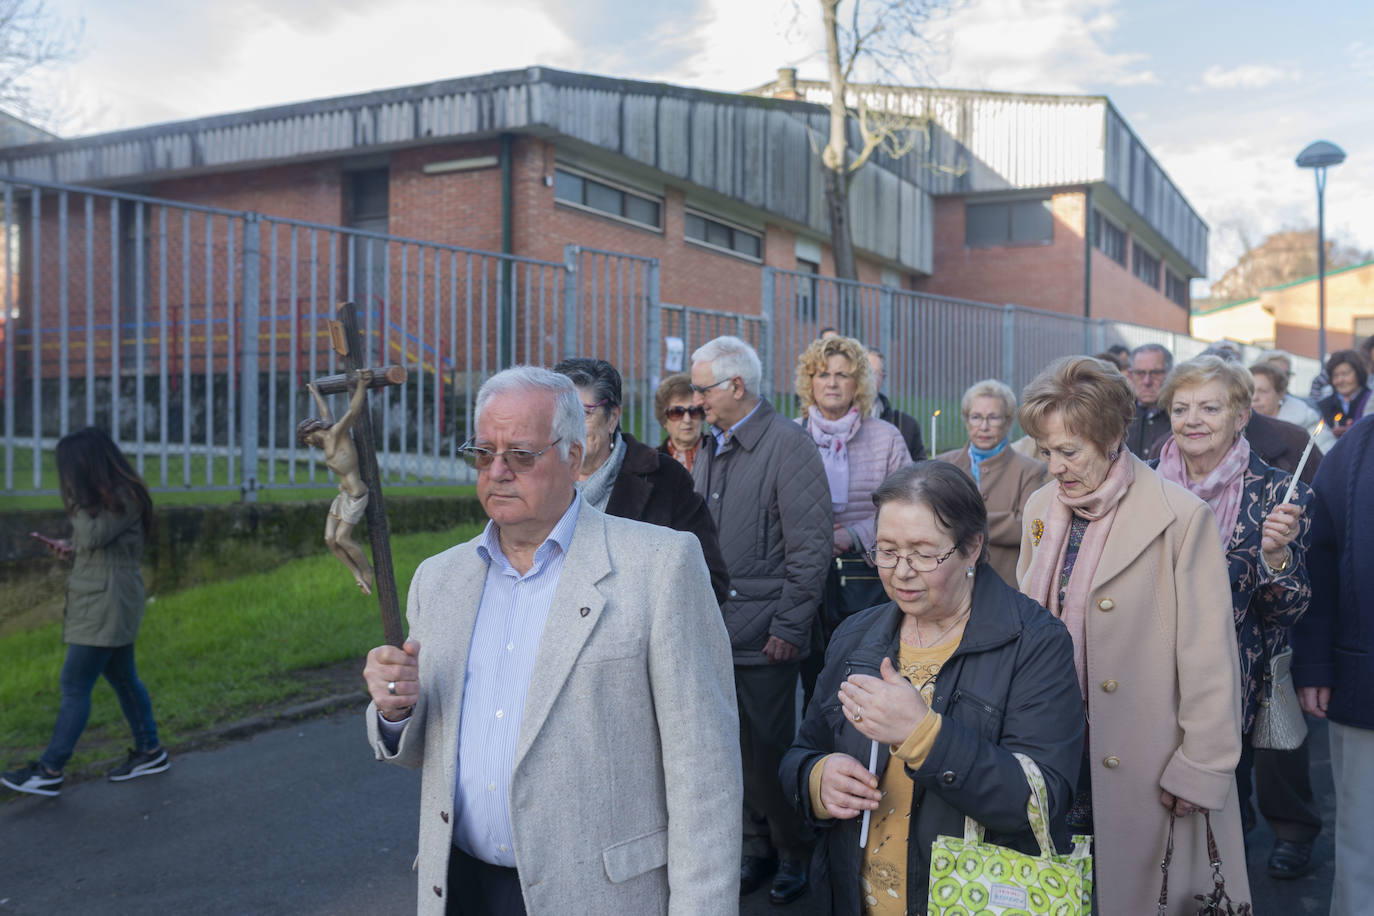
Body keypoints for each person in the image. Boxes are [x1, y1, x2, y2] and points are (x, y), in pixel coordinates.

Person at [363, 367, 741, 915]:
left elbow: (706, 779)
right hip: (461, 888)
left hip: (598, 896)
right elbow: (428, 752)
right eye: (484, 452)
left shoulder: (660, 567)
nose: (498, 471)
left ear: (570, 455)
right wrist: (397, 710)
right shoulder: (439, 580)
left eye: (520, 453)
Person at [781, 462, 1083, 915]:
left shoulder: (1034, 642)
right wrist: (816, 781)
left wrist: (923, 737)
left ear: (972, 548)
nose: (900, 572)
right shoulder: (855, 636)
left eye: (923, 553)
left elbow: (1041, 801)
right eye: (886, 551)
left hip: (969, 899)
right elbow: (802, 752)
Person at [1016, 356, 1250, 914]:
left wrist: (1202, 766)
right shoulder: (1040, 508)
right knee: (1058, 892)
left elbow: (1209, 656)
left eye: (1069, 451)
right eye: (1045, 451)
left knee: (1139, 895)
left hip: (1146, 757)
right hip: (1053, 750)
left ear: (1114, 435)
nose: (1054, 467)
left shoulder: (1180, 516)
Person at [1153, 355, 1317, 879]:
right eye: (1181, 408)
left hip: (1235, 682)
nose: (1192, 419)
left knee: (1226, 802)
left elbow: (1289, 607)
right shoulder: (1143, 485)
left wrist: (1276, 560)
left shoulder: (1278, 493)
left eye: (1209, 407)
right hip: (1150, 675)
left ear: (1241, 414)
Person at [690, 335, 833, 905]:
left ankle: (795, 850)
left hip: (766, 636)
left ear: (735, 386)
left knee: (771, 752)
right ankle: (756, 847)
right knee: (730, 751)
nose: (696, 399)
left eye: (703, 388)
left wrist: (790, 629)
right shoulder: (711, 444)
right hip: (716, 629)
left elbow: (811, 549)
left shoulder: (788, 445)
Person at [2, 428, 169, 798]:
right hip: (103, 599)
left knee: (74, 684)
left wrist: (76, 503)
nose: (65, 480)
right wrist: (69, 547)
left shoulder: (123, 496)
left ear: (85, 467)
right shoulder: (112, 499)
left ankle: (49, 769)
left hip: (106, 603)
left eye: (69, 471)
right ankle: (150, 751)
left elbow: (94, 537)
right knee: (124, 679)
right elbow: (96, 543)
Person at [554, 357, 729, 605]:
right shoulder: (539, 481)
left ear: (613, 417)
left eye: (583, 413)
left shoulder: (665, 479)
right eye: (561, 414)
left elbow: (711, 581)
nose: (570, 427)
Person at [1293, 413, 1374, 915]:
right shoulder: (1353, 452)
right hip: (1365, 683)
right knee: (1364, 841)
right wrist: (1316, 664)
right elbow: (1316, 563)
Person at [795, 336, 909, 635]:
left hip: (867, 580)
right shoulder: (790, 435)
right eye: (823, 374)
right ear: (810, 383)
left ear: (857, 383)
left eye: (842, 375)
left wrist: (853, 535)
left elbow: (908, 508)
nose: (832, 383)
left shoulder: (887, 438)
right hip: (801, 577)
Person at [935, 379, 1047, 585]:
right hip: (950, 585)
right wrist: (1005, 519)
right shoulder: (943, 466)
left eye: (993, 418)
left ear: (1008, 420)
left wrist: (960, 521)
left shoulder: (1030, 470)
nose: (984, 426)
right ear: (966, 420)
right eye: (976, 417)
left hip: (1005, 585)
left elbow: (1029, 526)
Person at [301, 370, 376, 595]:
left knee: (343, 538)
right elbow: (325, 413)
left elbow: (352, 411)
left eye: (306, 439)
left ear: (310, 432)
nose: (308, 444)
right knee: (329, 539)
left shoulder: (337, 434)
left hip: (356, 495)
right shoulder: (326, 440)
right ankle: (355, 574)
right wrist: (316, 394)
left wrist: (361, 385)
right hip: (342, 494)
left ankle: (368, 571)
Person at [1250, 361, 1333, 451]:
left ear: (1281, 393)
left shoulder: (1307, 423)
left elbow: (1329, 459)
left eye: (1263, 391)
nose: (1254, 397)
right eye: (1250, 390)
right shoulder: (1239, 426)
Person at [865, 348, 927, 461]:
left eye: (873, 373)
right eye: (863, 372)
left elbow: (920, 472)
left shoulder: (905, 426)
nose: (866, 379)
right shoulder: (837, 423)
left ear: (882, 378)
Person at [1125, 342, 1172, 458]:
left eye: (1155, 373)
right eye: (1140, 373)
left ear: (1170, 374)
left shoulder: (1182, 417)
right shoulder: (1119, 416)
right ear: (1131, 376)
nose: (1147, 381)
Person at [654, 371, 706, 471]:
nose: (687, 420)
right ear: (664, 420)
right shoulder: (652, 462)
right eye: (677, 412)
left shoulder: (718, 455)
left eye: (694, 411)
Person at [1316, 349, 1370, 439]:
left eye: (1345, 374)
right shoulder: (1325, 406)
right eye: (1335, 376)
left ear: (1358, 373)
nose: (1340, 380)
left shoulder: (1370, 400)